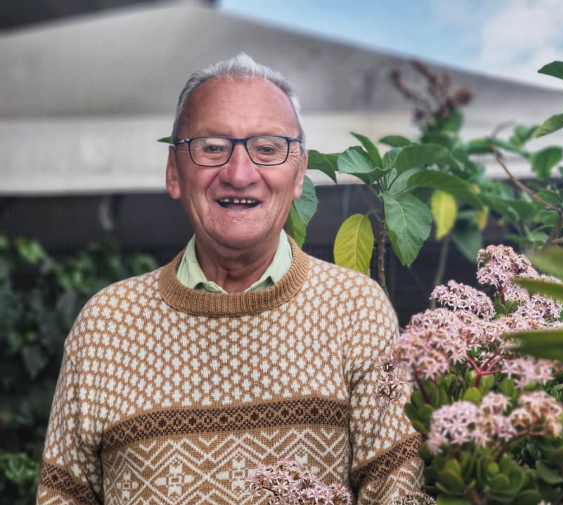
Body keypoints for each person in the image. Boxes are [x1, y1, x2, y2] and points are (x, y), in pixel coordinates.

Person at [36, 53, 423, 505]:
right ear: (173, 171)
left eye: (267, 148)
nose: (239, 174)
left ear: (298, 173)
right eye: (213, 147)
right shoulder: (105, 325)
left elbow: (397, 495)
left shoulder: (355, 311)